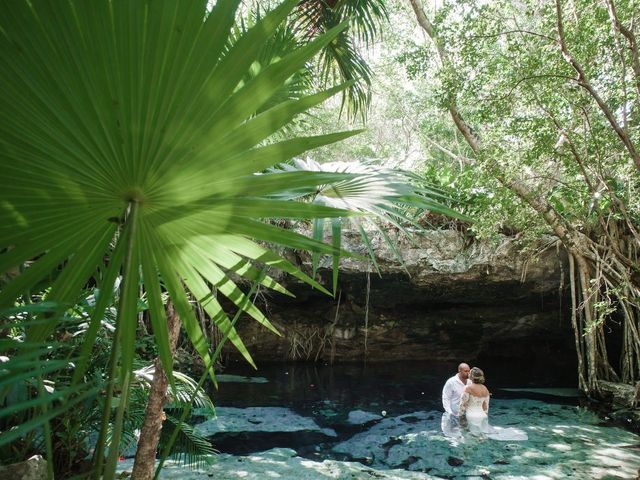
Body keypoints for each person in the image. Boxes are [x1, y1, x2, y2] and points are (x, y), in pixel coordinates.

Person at [458, 367, 490, 435]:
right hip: (483, 416)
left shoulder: (468, 388)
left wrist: (461, 417)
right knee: (481, 437)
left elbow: (462, 404)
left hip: (472, 416)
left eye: (469, 373)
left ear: (471, 376)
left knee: (470, 438)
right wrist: (485, 416)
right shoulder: (485, 389)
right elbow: (486, 406)